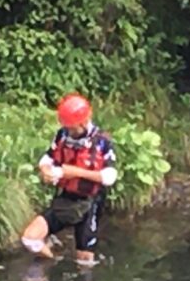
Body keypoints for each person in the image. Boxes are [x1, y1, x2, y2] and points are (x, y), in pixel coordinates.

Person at [22, 92, 119, 264]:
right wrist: (46, 170)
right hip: (65, 199)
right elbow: (47, 159)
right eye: (67, 126)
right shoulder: (62, 135)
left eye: (73, 127)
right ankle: (52, 262)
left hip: (91, 201)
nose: (70, 131)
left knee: (85, 260)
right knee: (30, 239)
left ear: (83, 122)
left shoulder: (102, 141)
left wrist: (75, 172)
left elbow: (109, 177)